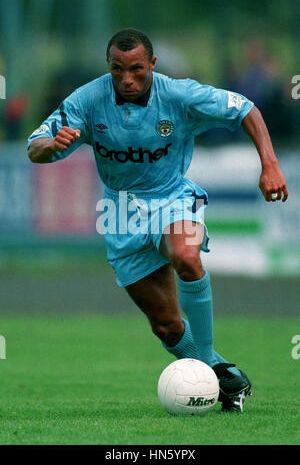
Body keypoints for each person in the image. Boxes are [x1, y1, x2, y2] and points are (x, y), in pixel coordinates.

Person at [27, 28, 288, 413]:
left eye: (136, 69)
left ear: (152, 64)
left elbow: (245, 107)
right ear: (109, 66)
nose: (127, 79)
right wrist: (52, 145)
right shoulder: (87, 99)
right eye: (118, 70)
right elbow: (36, 147)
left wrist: (269, 164)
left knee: (186, 256)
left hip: (172, 200)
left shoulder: (179, 94)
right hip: (120, 214)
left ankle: (204, 370)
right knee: (166, 326)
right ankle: (220, 374)